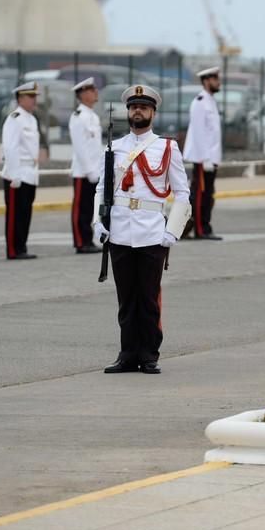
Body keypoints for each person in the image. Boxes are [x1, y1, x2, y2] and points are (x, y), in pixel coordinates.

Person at [94, 84, 190, 375]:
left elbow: (183, 193)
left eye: (144, 107)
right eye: (134, 107)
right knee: (126, 298)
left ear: (153, 112)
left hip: (151, 231)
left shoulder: (167, 148)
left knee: (148, 297)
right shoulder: (114, 147)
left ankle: (149, 354)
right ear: (128, 112)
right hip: (120, 230)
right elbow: (101, 188)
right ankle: (127, 354)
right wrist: (98, 221)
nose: (138, 111)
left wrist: (172, 232)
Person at [1, 81, 40, 259]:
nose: (34, 100)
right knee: (15, 214)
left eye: (34, 96)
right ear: (20, 98)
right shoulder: (14, 118)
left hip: (30, 173)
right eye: (30, 96)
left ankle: (21, 247)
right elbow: (10, 148)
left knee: (25, 213)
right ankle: (13, 249)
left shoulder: (31, 119)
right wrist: (14, 174)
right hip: (16, 174)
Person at [183, 67, 223, 240]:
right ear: (207, 80)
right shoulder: (200, 102)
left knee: (208, 194)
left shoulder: (210, 101)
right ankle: (200, 229)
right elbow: (199, 133)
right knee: (200, 195)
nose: (218, 82)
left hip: (211, 158)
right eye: (215, 78)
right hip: (202, 158)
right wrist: (205, 158)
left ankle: (205, 226)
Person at [69, 77, 103, 254]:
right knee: (80, 208)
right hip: (83, 172)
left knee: (89, 208)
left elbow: (95, 148)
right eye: (91, 90)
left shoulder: (93, 116)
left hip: (94, 171)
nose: (95, 92)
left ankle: (88, 239)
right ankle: (80, 241)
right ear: (82, 94)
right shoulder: (78, 117)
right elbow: (80, 147)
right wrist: (89, 170)